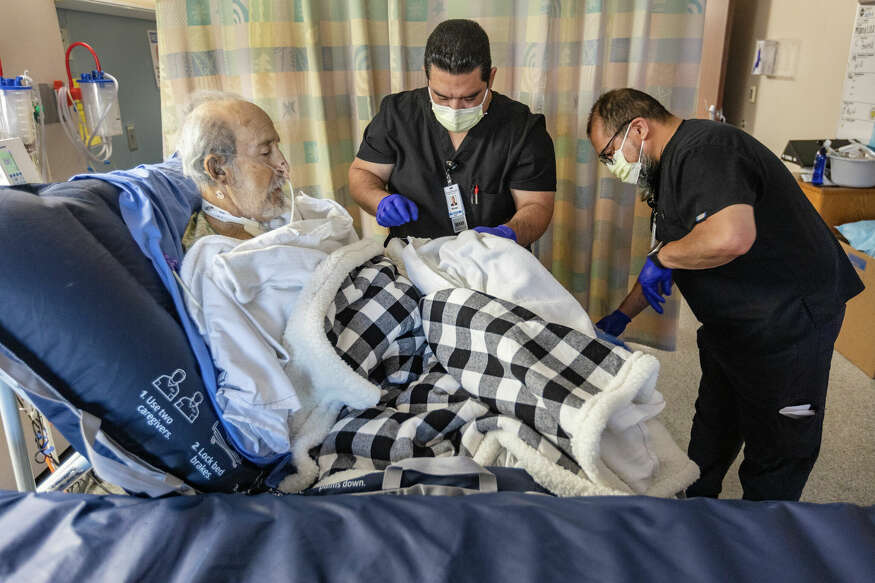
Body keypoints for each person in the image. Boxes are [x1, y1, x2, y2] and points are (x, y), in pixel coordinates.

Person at [587, 88, 864, 501]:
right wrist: (621, 317)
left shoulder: (707, 150)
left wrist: (665, 258)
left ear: (638, 129)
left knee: (777, 445)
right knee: (715, 421)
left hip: (787, 317)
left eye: (609, 154)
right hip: (732, 321)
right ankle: (698, 504)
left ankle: (761, 534)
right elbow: (674, 255)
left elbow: (730, 237)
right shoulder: (669, 173)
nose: (613, 166)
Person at [349, 19, 557, 246]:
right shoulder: (397, 116)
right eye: (442, 97)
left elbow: (537, 206)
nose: (454, 108)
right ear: (427, 76)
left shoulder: (523, 129)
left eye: (470, 98)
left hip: (492, 260)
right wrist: (380, 201)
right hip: (412, 257)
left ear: (491, 78)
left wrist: (508, 235)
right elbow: (363, 173)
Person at [177, 92, 293, 249]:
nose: (283, 165)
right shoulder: (221, 262)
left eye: (277, 147)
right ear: (218, 170)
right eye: (265, 152)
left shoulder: (266, 213)